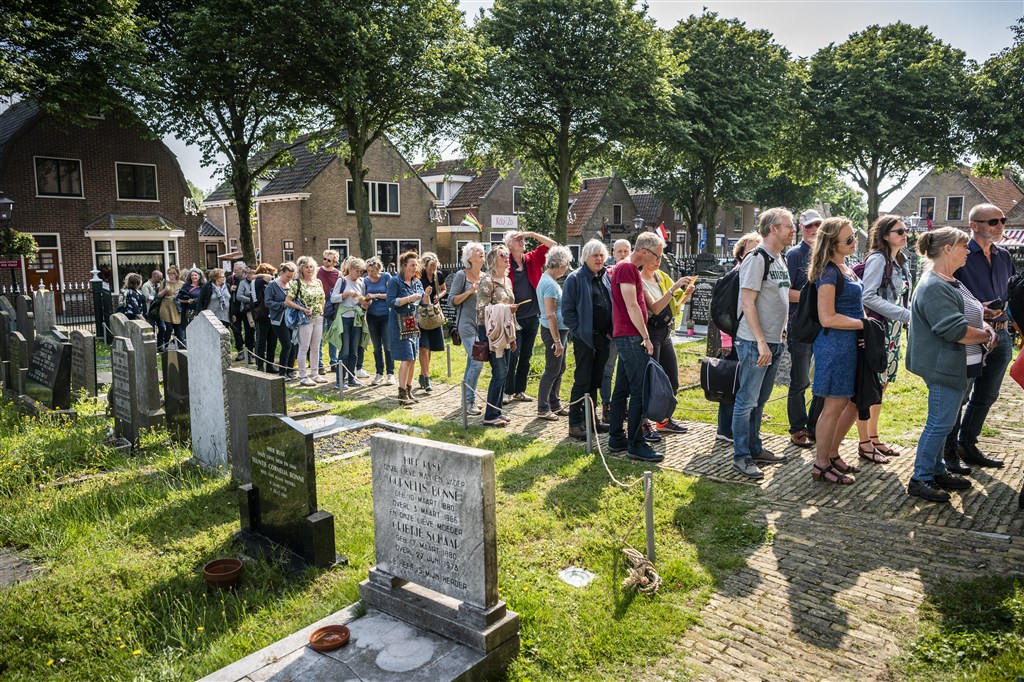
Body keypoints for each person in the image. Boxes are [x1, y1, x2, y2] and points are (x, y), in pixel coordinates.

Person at [906, 227, 994, 503]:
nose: (968, 251)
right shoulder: (934, 286)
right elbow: (954, 330)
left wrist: (984, 318)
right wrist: (987, 335)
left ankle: (937, 470)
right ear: (947, 249)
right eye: (963, 246)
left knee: (945, 423)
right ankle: (920, 478)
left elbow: (967, 313)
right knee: (940, 423)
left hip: (959, 365)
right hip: (944, 367)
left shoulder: (950, 280)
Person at [943, 203, 1014, 472]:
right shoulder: (960, 255)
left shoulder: (1005, 256)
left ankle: (967, 444)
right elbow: (947, 291)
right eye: (993, 222)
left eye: (1002, 220)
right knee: (961, 394)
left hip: (1002, 333)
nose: (999, 226)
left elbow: (1013, 291)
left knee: (987, 394)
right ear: (974, 225)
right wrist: (976, 308)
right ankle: (948, 450)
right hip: (973, 336)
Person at [730, 207, 794, 479]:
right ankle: (741, 456)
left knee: (761, 400)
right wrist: (760, 342)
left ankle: (755, 447)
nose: (794, 229)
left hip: (774, 341)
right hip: (755, 342)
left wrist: (781, 333)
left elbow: (779, 297)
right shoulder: (757, 259)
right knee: (746, 400)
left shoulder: (780, 259)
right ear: (773, 229)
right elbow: (747, 302)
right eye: (789, 225)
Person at [808, 218, 866, 485]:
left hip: (849, 343)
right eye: (849, 239)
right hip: (834, 345)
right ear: (832, 244)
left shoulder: (846, 268)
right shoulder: (828, 272)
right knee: (833, 406)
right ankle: (820, 465)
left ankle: (831, 454)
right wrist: (864, 325)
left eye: (854, 237)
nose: (855, 242)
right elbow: (827, 317)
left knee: (844, 402)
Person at [855, 215, 912, 460]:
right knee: (871, 386)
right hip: (880, 330)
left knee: (883, 385)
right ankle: (864, 441)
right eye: (899, 231)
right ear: (885, 235)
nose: (905, 234)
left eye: (905, 230)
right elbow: (867, 296)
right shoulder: (878, 259)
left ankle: (874, 436)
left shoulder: (901, 259)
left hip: (894, 332)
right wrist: (904, 314)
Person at [607, 231, 666, 462]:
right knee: (640, 391)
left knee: (621, 388)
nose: (658, 260)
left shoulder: (626, 268)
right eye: (657, 255)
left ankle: (616, 437)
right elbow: (632, 305)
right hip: (631, 336)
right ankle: (636, 443)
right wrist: (646, 337)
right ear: (645, 251)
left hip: (628, 336)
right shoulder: (627, 268)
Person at [563, 240, 613, 440]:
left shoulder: (604, 277)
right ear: (586, 258)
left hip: (603, 339)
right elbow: (567, 311)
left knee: (595, 381)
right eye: (595, 256)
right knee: (582, 381)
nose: (599, 259)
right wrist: (579, 331)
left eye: (601, 255)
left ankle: (592, 420)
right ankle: (575, 424)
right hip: (585, 339)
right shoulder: (575, 279)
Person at [640, 250, 693, 436]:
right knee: (650, 380)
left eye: (660, 258)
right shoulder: (640, 280)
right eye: (655, 257)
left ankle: (663, 420)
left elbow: (675, 304)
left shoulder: (661, 276)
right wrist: (674, 288)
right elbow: (655, 307)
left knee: (672, 379)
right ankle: (643, 421)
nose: (658, 261)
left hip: (666, 332)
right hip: (651, 332)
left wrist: (685, 295)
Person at [716, 233, 762, 442]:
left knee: (739, 385)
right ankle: (726, 430)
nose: (755, 255)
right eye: (751, 251)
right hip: (736, 339)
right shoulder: (735, 276)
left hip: (747, 337)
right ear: (741, 254)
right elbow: (725, 310)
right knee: (731, 384)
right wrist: (726, 340)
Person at [503, 230, 557, 403]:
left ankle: (520, 390)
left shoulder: (532, 259)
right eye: (517, 239)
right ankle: (507, 390)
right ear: (509, 245)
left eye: (522, 239)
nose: (521, 242)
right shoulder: (505, 262)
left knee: (526, 354)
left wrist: (531, 234)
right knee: (513, 354)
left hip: (532, 315)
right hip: (513, 317)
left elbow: (553, 246)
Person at [786, 210, 823, 449]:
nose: (814, 229)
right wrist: (817, 299)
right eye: (810, 226)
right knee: (800, 380)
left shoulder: (827, 253)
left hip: (826, 326)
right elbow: (784, 292)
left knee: (822, 380)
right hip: (801, 325)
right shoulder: (794, 255)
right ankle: (797, 428)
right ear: (801, 228)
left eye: (818, 225)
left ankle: (815, 425)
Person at [477, 245, 520, 426]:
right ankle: (489, 415)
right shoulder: (487, 281)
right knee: (499, 371)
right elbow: (481, 310)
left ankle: (497, 410)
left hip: (507, 330)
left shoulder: (507, 280)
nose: (507, 257)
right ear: (494, 259)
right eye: (503, 255)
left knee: (506, 371)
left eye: (507, 255)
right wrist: (504, 309)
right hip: (492, 332)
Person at [448, 242, 486, 415]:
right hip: (466, 325)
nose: (482, 253)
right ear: (469, 257)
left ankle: (466, 398)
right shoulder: (461, 275)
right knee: (478, 362)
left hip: (482, 325)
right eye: (478, 251)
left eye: (483, 251)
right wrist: (470, 291)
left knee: (472, 362)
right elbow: (452, 300)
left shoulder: (485, 277)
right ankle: (469, 401)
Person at [535, 246, 572, 420]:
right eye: (567, 264)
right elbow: (550, 314)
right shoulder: (549, 284)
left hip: (560, 331)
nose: (567, 268)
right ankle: (543, 407)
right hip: (553, 332)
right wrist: (556, 340)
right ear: (560, 263)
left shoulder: (549, 280)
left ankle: (555, 403)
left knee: (560, 367)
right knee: (552, 369)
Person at [387, 251, 428, 404]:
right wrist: (409, 299)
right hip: (399, 323)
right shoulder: (395, 282)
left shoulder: (417, 282)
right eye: (412, 265)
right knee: (406, 357)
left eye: (416, 265)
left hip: (413, 322)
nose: (415, 267)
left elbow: (424, 303)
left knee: (413, 358)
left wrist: (427, 295)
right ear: (404, 267)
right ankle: (402, 392)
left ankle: (409, 390)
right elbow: (390, 302)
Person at [600, 238, 633, 423]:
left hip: (630, 331)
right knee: (608, 370)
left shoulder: (634, 272)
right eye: (619, 251)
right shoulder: (607, 274)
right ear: (613, 254)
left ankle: (623, 405)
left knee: (627, 369)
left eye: (625, 251)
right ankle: (607, 406)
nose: (622, 254)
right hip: (612, 331)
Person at [286, 256, 328, 386]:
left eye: (311, 266)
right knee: (304, 347)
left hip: (318, 318)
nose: (309, 269)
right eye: (306, 267)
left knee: (316, 347)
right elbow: (287, 301)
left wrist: (322, 309)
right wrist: (302, 309)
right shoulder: (296, 283)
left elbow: (323, 298)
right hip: (305, 319)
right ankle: (303, 375)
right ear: (301, 269)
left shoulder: (318, 282)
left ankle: (314, 373)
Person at [331, 256, 367, 388]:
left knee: (354, 350)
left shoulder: (362, 282)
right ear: (350, 269)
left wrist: (365, 303)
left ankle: (352, 378)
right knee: (345, 350)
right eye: (357, 271)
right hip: (344, 318)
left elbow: (362, 301)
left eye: (361, 272)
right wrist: (346, 294)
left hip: (356, 318)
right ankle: (340, 381)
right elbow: (333, 298)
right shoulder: (342, 281)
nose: (359, 274)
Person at [417, 252, 446, 393]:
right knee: (423, 347)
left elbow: (444, 289)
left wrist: (438, 296)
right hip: (421, 313)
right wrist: (425, 295)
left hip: (433, 315)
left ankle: (423, 374)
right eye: (430, 268)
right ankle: (427, 378)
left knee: (429, 348)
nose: (432, 270)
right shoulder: (418, 275)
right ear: (425, 265)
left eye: (434, 267)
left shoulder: (438, 275)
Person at [362, 257, 394, 386]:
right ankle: (379, 373)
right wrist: (366, 300)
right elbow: (364, 296)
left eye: (373, 270)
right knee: (376, 347)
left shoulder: (386, 277)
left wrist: (376, 295)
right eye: (368, 270)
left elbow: (391, 294)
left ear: (379, 269)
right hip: (372, 315)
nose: (370, 273)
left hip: (386, 315)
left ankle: (390, 373)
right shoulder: (365, 280)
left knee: (388, 346)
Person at [266, 262, 298, 380]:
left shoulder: (292, 284)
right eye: (287, 276)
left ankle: (290, 370)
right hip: (278, 320)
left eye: (291, 277)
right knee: (286, 344)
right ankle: (282, 372)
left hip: (291, 319)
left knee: (294, 344)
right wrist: (282, 305)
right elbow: (268, 302)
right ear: (281, 273)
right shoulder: (272, 285)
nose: (289, 279)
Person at [317, 249, 341, 376]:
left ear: (335, 261)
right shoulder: (317, 271)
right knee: (318, 336)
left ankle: (334, 362)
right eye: (324, 259)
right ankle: (319, 364)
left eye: (329, 260)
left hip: (333, 307)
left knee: (333, 335)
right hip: (320, 306)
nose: (325, 261)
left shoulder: (338, 274)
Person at [252, 263, 277, 373]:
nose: (271, 275)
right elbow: (268, 278)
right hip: (262, 315)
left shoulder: (268, 282)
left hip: (272, 315)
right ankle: (260, 365)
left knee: (272, 341)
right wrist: (258, 276)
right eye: (269, 272)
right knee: (261, 341)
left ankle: (270, 365)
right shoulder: (258, 282)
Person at [157, 266, 184, 348]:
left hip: (177, 308)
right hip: (166, 307)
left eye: (172, 274)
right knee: (168, 327)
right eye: (169, 274)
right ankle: (166, 345)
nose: (170, 275)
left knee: (178, 326)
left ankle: (181, 346)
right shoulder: (165, 283)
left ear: (176, 274)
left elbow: (185, 295)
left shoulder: (182, 284)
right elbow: (159, 295)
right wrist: (165, 290)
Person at [235, 266, 257, 360]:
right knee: (249, 332)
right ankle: (249, 354)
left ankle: (259, 353)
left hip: (258, 310)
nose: (249, 275)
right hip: (247, 311)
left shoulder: (257, 282)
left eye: (251, 273)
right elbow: (239, 296)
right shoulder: (242, 283)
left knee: (259, 332)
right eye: (247, 273)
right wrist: (252, 300)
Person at [227, 261, 247, 359]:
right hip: (234, 308)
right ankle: (240, 350)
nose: (235, 273)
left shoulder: (248, 279)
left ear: (243, 271)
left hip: (246, 309)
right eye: (234, 270)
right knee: (236, 330)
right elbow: (225, 292)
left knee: (249, 330)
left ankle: (249, 351)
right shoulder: (230, 279)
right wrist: (229, 289)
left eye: (237, 271)